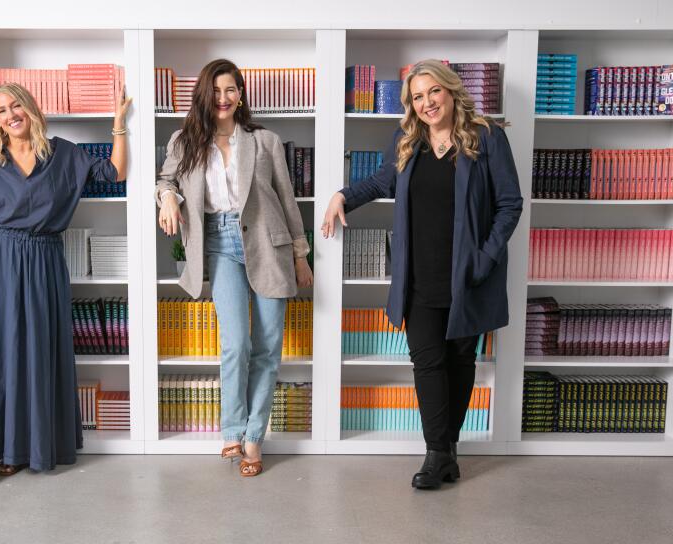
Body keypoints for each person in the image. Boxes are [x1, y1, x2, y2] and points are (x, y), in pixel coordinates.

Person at [322, 59, 522, 489]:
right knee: (426, 362)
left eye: (433, 92)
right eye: (417, 96)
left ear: (450, 91)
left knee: (460, 360)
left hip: (468, 274)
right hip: (418, 275)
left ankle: (447, 451)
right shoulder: (407, 139)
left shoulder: (487, 138)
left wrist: (484, 260)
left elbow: (510, 204)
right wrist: (342, 195)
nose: (427, 102)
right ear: (411, 104)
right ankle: (437, 454)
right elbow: (380, 182)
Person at [0, 82, 132, 487]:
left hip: (40, 261)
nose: (10, 114)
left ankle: (18, 451)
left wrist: (118, 126)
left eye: (15, 105)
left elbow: (114, 172)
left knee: (31, 354)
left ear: (30, 107)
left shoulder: (65, 154)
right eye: (1, 110)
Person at [156, 58, 313, 477]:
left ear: (240, 94)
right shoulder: (184, 142)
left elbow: (287, 200)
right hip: (219, 244)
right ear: (204, 95)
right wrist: (167, 198)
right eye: (216, 90)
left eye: (231, 90)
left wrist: (300, 254)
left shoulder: (265, 141)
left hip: (268, 243)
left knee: (267, 347)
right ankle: (232, 428)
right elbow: (165, 181)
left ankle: (254, 439)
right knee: (236, 344)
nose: (223, 98)